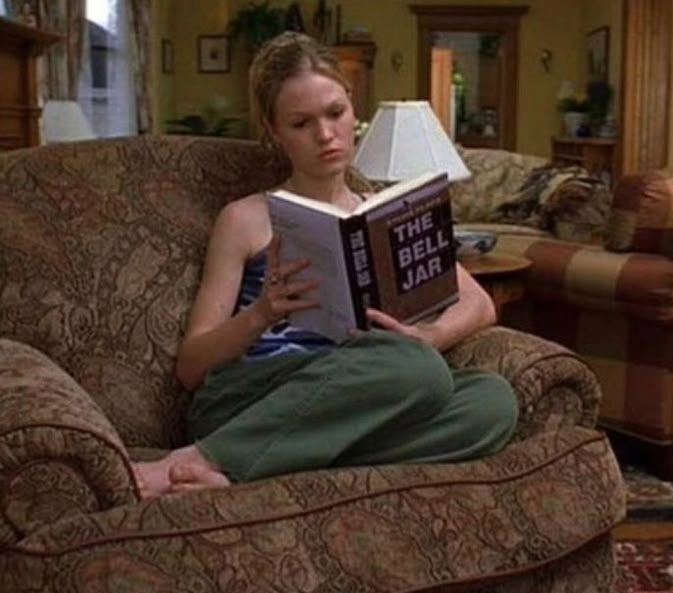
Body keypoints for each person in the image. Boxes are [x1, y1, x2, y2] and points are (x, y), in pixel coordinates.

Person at [132, 32, 518, 498]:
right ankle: (203, 456)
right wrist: (262, 313)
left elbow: (480, 304)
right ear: (274, 131)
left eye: (335, 113)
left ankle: (250, 472)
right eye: (300, 123)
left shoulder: (383, 212)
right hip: (252, 396)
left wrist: (427, 336)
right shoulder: (246, 218)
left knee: (492, 402)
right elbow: (191, 368)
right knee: (417, 369)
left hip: (358, 392)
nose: (325, 135)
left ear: (354, 108)